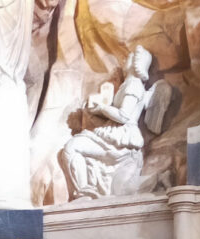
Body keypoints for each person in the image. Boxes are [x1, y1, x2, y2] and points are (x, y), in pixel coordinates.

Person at [60, 45, 155, 200]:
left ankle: (84, 191)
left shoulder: (134, 85)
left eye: (130, 57)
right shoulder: (128, 84)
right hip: (114, 134)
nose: (126, 60)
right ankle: (85, 190)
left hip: (120, 138)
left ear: (137, 62)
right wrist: (97, 110)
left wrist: (103, 108)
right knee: (74, 146)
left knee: (73, 147)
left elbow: (123, 116)